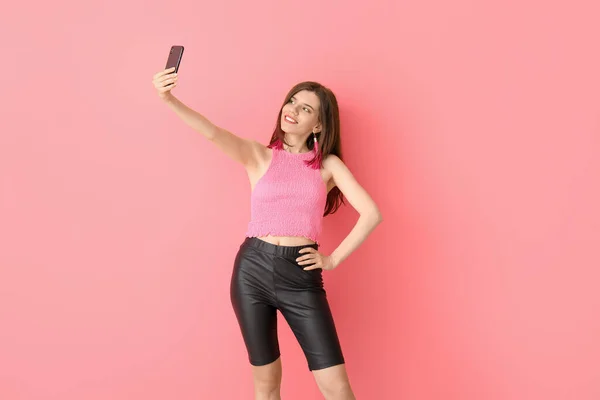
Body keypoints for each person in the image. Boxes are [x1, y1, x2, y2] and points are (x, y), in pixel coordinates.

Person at [152, 66, 383, 400]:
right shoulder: (259, 155)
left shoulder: (328, 165)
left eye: (306, 108)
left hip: (301, 277)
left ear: (318, 124)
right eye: (292, 101)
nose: (293, 109)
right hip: (252, 271)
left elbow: (372, 213)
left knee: (337, 388)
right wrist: (168, 98)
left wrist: (331, 259)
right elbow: (212, 132)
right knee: (266, 383)